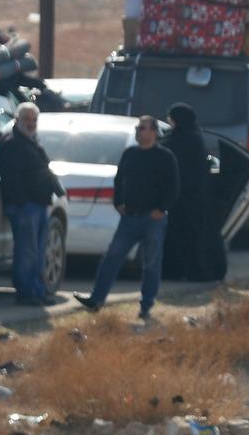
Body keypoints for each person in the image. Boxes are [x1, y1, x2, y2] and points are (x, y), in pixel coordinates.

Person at [75, 115, 177, 321]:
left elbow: (173, 187)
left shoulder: (165, 157)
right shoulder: (130, 154)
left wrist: (162, 209)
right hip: (130, 217)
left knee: (151, 263)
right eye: (138, 128)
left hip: (153, 219)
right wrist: (118, 203)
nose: (139, 132)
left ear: (154, 132)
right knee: (112, 257)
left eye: (143, 128)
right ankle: (96, 300)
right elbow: (119, 179)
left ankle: (146, 306)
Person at [0, 103, 65, 306]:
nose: (31, 123)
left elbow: (44, 170)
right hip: (24, 208)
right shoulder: (11, 143)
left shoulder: (33, 143)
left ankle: (37, 291)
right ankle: (26, 292)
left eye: (34, 120)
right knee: (27, 252)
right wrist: (21, 202)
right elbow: (11, 178)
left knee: (38, 252)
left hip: (39, 205)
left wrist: (56, 191)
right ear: (17, 120)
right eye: (27, 119)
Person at [160, 103, 226, 282]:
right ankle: (188, 270)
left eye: (171, 118)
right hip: (194, 199)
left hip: (183, 199)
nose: (169, 122)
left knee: (184, 236)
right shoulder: (195, 138)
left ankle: (185, 270)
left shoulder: (179, 140)